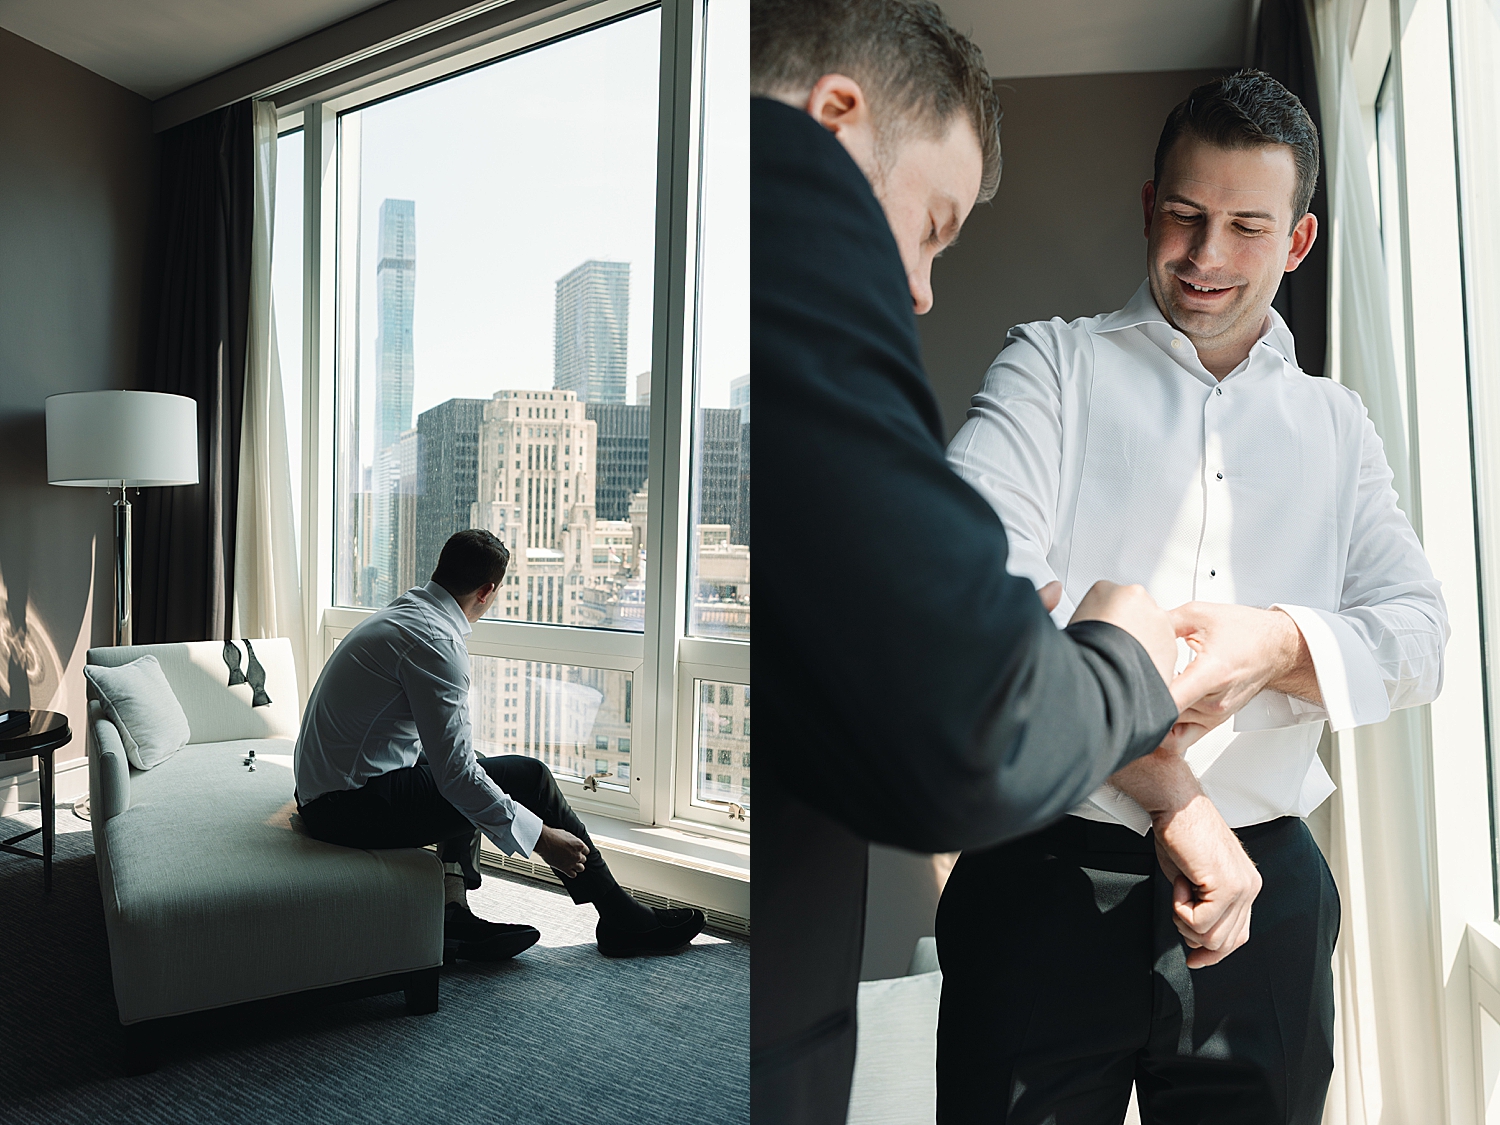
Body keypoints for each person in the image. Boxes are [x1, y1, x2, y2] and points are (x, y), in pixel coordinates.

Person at [749, 2, 1239, 1120]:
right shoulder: (806, 264)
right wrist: (1123, 649)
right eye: (933, 224)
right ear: (835, 121)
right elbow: (972, 728)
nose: (920, 287)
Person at [937, 70, 1448, 1124]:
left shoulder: (1340, 425)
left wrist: (1269, 642)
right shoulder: (1052, 367)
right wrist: (1176, 795)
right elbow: (976, 600)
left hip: (1272, 894)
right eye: (1184, 215)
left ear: (1299, 242)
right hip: (1043, 876)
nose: (1206, 256)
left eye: (1246, 227)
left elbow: (1421, 635)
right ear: (1146, 207)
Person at [293, 528, 705, 962]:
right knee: (527, 776)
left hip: (328, 794)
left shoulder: (406, 614)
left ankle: (453, 913)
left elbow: (452, 765)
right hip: (346, 808)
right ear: (488, 591)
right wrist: (543, 837)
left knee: (485, 770)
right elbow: (456, 777)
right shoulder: (437, 643)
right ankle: (621, 917)